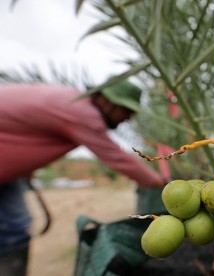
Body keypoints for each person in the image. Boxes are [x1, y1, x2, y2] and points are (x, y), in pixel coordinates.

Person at [0, 79, 166, 275]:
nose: (127, 119)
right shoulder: (82, 112)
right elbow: (116, 158)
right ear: (106, 101)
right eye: (126, 111)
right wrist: (158, 181)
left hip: (7, 178)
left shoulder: (71, 101)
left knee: (15, 227)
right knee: (13, 231)